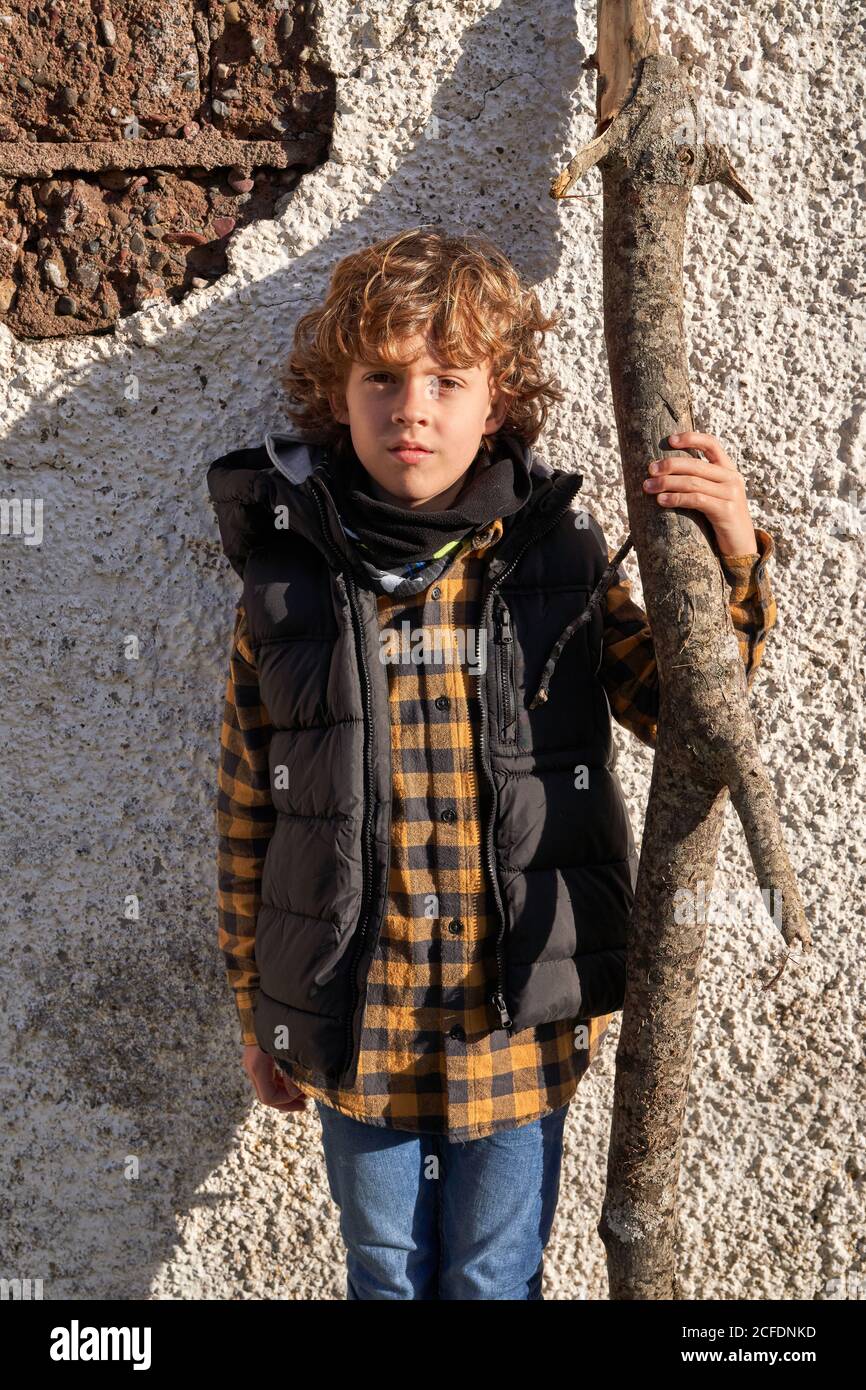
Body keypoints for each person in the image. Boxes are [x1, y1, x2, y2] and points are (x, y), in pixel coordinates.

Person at [206, 226, 776, 1299]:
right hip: (352, 1021)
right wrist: (258, 1008)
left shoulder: (552, 559)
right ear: (337, 396)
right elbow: (247, 814)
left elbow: (678, 709)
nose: (410, 406)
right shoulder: (286, 592)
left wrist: (733, 560)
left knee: (491, 1274)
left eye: (445, 379)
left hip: (511, 1029)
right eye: (381, 377)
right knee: (382, 1271)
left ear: (495, 402)